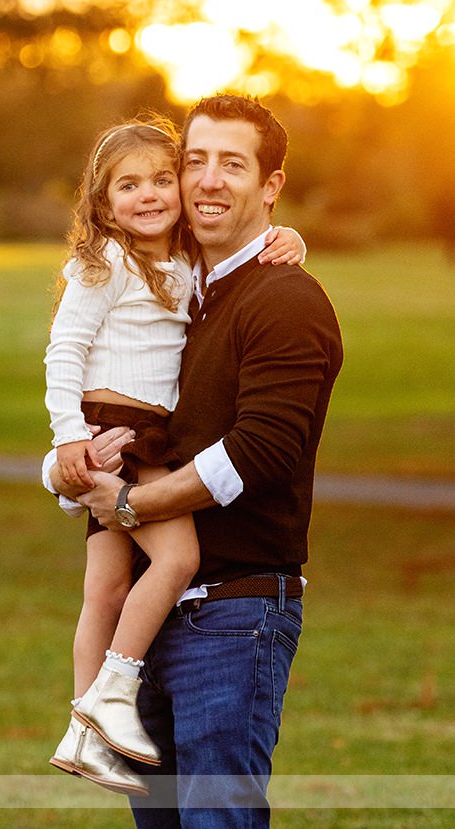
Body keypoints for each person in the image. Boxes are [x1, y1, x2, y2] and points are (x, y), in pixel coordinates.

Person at [69, 95, 343, 827]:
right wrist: (67, 468)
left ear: (271, 184)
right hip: (152, 619)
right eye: (195, 161)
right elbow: (97, 396)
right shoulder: (178, 288)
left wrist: (134, 507)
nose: (209, 180)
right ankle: (89, 716)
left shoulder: (284, 298)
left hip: (236, 617)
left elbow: (264, 449)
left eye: (234, 163)